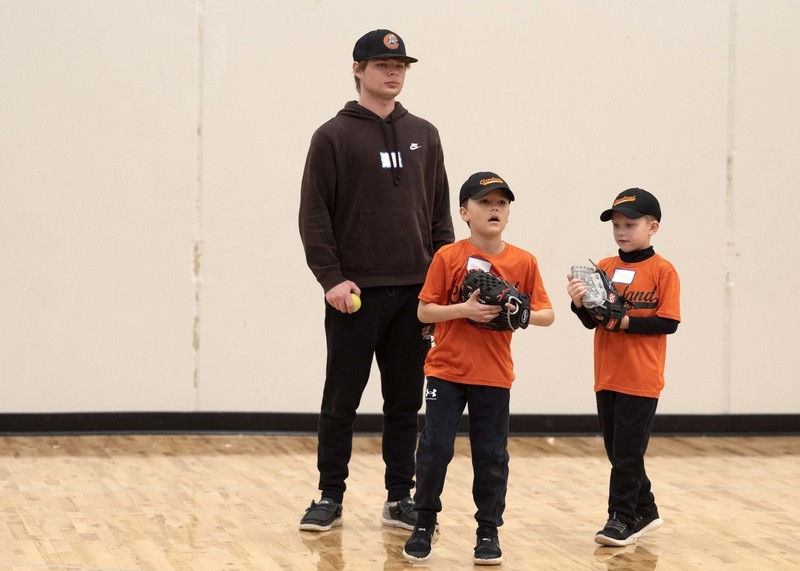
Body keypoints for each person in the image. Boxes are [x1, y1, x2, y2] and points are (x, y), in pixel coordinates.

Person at [297, 29, 455, 532]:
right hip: (356, 294)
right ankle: (329, 495)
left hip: (415, 295)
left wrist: (442, 283)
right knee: (341, 400)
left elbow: (439, 215)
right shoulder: (332, 136)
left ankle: (399, 497)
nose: (394, 73)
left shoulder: (425, 133)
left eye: (401, 66)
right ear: (358, 69)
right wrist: (331, 278)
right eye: (384, 65)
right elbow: (314, 216)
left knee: (405, 402)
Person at [402, 172, 555, 565]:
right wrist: (464, 310)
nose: (494, 209)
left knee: (491, 454)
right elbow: (424, 311)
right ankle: (423, 522)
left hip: (493, 374)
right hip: (446, 371)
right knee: (435, 447)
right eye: (484, 202)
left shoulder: (523, 261)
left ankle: (488, 531)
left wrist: (520, 312)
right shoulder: (448, 257)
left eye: (501, 203)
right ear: (464, 212)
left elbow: (547, 314)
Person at [566, 188, 681, 547]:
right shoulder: (604, 267)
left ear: (653, 227)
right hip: (607, 374)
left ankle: (621, 518)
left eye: (630, 224)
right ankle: (646, 508)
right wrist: (579, 303)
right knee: (618, 452)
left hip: (641, 376)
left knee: (627, 453)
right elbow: (594, 321)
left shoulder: (663, 270)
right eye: (616, 225)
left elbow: (669, 322)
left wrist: (626, 321)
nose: (621, 231)